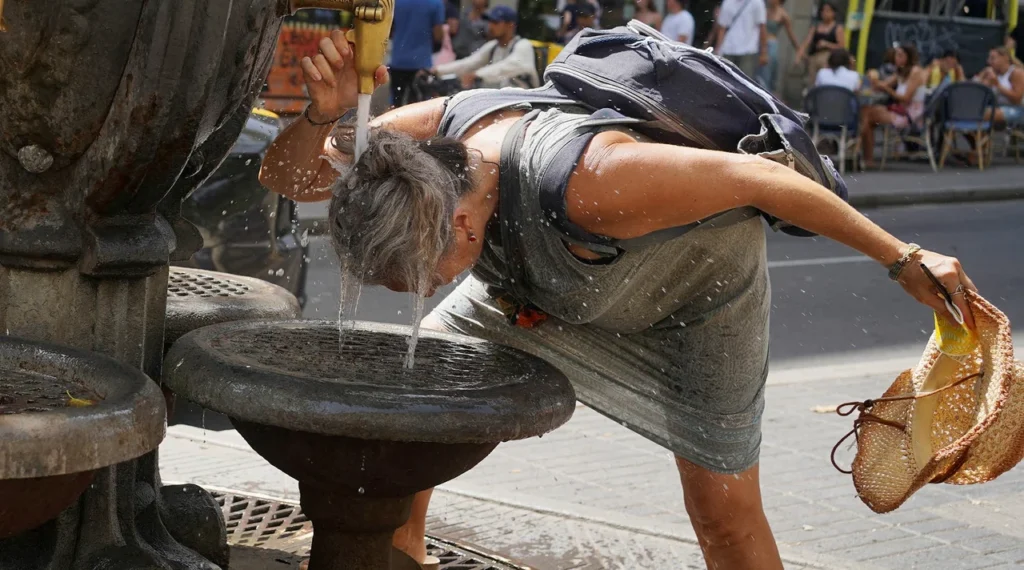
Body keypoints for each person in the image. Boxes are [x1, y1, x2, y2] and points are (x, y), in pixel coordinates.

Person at [266, 31, 978, 570]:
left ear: (461, 224)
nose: (419, 294)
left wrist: (900, 257)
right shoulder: (414, 155)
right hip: (548, 289)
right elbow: (285, 178)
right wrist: (320, 120)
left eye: (419, 278)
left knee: (724, 516)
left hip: (695, 301)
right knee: (412, 427)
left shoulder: (595, 179)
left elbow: (761, 181)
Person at [431, 6, 539, 90]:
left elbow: (510, 66)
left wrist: (477, 75)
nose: (490, 26)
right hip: (500, 102)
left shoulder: (523, 45)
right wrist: (437, 70)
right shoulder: (493, 46)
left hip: (523, 104)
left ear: (510, 25)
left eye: (496, 22)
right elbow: (469, 63)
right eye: (490, 22)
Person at [859, 43, 927, 169]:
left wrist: (887, 89)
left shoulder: (916, 72)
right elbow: (883, 84)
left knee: (866, 114)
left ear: (909, 57)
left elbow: (906, 98)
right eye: (896, 55)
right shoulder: (901, 71)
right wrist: (873, 80)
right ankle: (867, 158)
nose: (897, 58)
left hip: (910, 115)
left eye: (900, 55)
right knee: (866, 114)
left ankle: (864, 156)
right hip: (900, 110)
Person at [389, 0, 447, 107]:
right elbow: (438, 35)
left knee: (396, 104)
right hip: (421, 63)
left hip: (398, 61)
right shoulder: (435, 3)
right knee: (419, 107)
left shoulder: (396, 2)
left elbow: (389, 30)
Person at [795, 1, 845, 86]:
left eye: (828, 11)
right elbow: (807, 41)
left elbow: (841, 47)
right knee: (812, 82)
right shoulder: (816, 26)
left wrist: (827, 44)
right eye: (823, 10)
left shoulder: (837, 28)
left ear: (833, 13)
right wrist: (799, 55)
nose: (825, 13)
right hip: (814, 57)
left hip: (828, 58)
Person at [716, 0, 769, 77]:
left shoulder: (757, 2)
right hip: (728, 49)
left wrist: (764, 52)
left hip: (748, 50)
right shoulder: (728, 2)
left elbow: (762, 27)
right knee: (724, 79)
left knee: (744, 80)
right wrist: (718, 49)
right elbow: (722, 28)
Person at [975, 46, 1024, 128]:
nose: (988, 61)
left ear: (1005, 58)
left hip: (1018, 110)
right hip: (999, 107)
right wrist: (981, 76)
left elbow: (1017, 99)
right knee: (971, 111)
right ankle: (980, 137)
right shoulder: (994, 73)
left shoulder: (1016, 72)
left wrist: (997, 85)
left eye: (992, 58)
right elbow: (977, 93)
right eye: (989, 58)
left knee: (979, 113)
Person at [757, 0, 800, 92]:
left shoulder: (783, 14)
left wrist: (799, 51)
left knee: (766, 73)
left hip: (771, 44)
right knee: (757, 73)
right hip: (759, 44)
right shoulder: (764, 10)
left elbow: (791, 34)